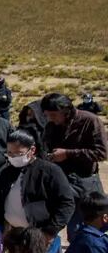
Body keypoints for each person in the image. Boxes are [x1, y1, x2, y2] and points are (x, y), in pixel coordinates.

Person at [0, 130, 76, 253]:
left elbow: (67, 203)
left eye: (18, 153)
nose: (13, 157)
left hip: (41, 235)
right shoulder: (7, 172)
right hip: (14, 233)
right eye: (10, 153)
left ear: (32, 150)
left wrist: (50, 231)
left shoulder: (50, 171)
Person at [41, 92, 108, 238]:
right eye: (47, 115)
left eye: (53, 115)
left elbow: (101, 153)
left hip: (86, 183)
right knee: (68, 230)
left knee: (92, 230)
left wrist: (68, 154)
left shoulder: (90, 121)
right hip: (62, 181)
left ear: (65, 111)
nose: (50, 119)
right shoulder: (52, 125)